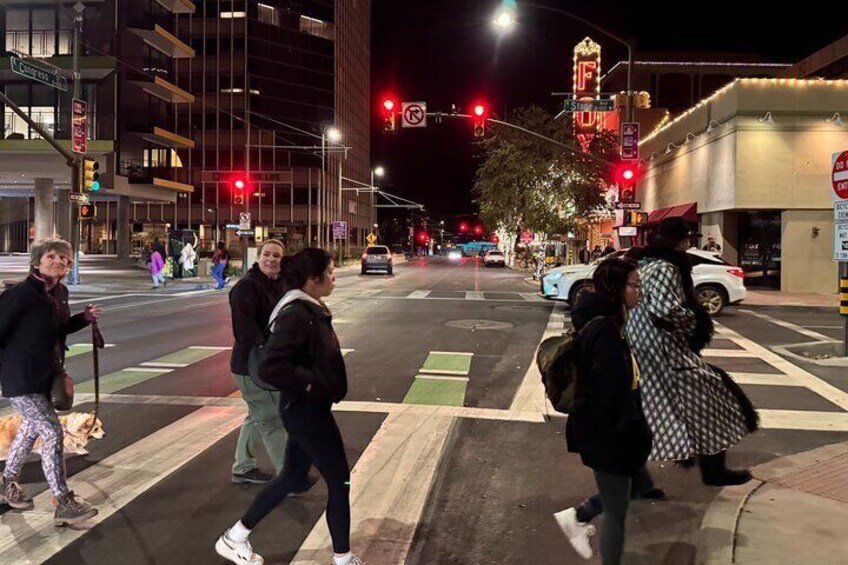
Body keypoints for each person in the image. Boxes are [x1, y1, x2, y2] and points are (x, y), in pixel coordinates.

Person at [216, 248, 363, 565]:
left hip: (307, 408)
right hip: (306, 410)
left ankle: (235, 536)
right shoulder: (297, 313)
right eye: (331, 271)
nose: (334, 277)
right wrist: (312, 383)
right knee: (340, 481)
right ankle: (343, 558)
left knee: (292, 477)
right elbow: (271, 365)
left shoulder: (307, 307)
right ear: (313, 279)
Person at [626, 217, 757, 486]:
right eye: (687, 239)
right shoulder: (665, 268)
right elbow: (665, 309)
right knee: (712, 405)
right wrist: (692, 322)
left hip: (645, 352)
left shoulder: (645, 265)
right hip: (667, 355)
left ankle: (637, 483)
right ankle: (713, 471)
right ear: (680, 241)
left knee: (646, 417)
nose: (689, 243)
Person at [0, 238, 102, 526]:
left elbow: (61, 328)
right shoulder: (19, 295)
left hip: (46, 375)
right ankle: (63, 500)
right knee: (51, 430)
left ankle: (5, 483)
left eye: (64, 258)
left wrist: (84, 318)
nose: (59, 261)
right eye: (52, 256)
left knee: (31, 430)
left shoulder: (59, 292)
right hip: (20, 376)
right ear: (37, 261)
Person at [558, 258, 652, 564]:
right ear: (617, 288)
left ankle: (579, 515)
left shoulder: (607, 323)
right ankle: (581, 523)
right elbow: (611, 392)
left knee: (637, 486)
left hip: (607, 429)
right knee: (616, 514)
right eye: (635, 285)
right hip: (608, 433)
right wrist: (633, 427)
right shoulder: (606, 332)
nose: (640, 292)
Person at [228, 239, 298, 485]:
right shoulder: (247, 287)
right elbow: (245, 331)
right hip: (251, 365)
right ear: (258, 257)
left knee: (257, 416)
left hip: (265, 364)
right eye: (267, 254)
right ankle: (287, 477)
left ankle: (242, 466)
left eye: (277, 256)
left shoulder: (276, 285)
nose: (271, 259)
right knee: (270, 419)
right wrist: (271, 349)